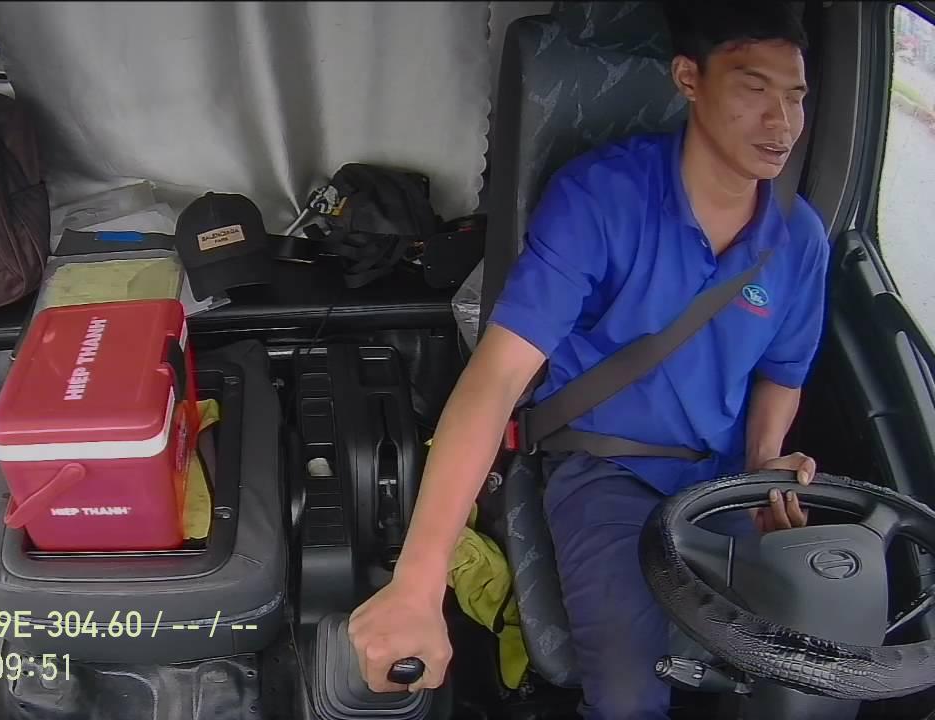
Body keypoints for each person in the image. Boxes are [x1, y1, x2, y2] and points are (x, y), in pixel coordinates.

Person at [348, 2, 828, 718]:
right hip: (606, 470)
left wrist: (764, 467)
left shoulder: (800, 237)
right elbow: (497, 377)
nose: (781, 123)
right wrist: (418, 583)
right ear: (688, 79)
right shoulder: (600, 198)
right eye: (753, 89)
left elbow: (782, 374)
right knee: (630, 696)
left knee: (815, 665)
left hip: (723, 482)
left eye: (794, 96)